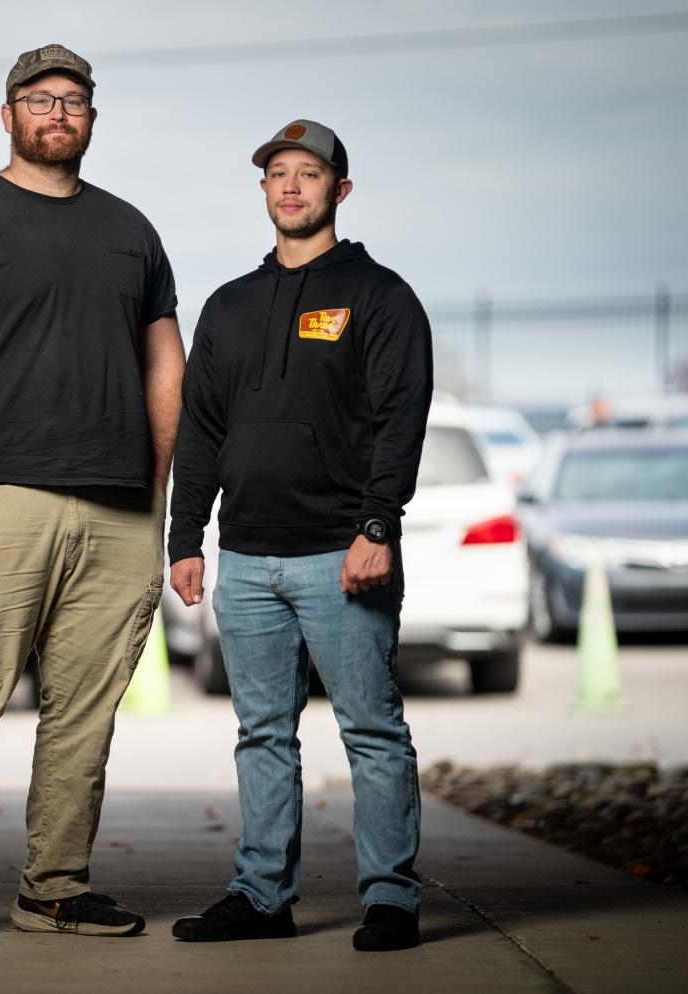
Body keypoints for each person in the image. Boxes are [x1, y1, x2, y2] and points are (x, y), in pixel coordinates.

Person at [0, 43, 184, 945]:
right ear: (9, 114)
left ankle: (54, 886)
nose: (59, 113)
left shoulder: (132, 230)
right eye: (40, 99)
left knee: (85, 712)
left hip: (117, 508)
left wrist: (157, 495)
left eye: (76, 101)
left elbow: (164, 362)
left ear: (92, 118)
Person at [167, 119, 432, 952]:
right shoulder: (231, 306)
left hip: (340, 553)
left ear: (338, 191)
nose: (290, 186)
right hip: (246, 559)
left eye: (308, 173)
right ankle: (262, 895)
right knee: (262, 735)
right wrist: (186, 537)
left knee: (372, 730)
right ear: (264, 190)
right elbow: (201, 429)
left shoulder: (380, 296)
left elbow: (400, 420)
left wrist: (377, 526)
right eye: (277, 173)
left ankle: (391, 899)